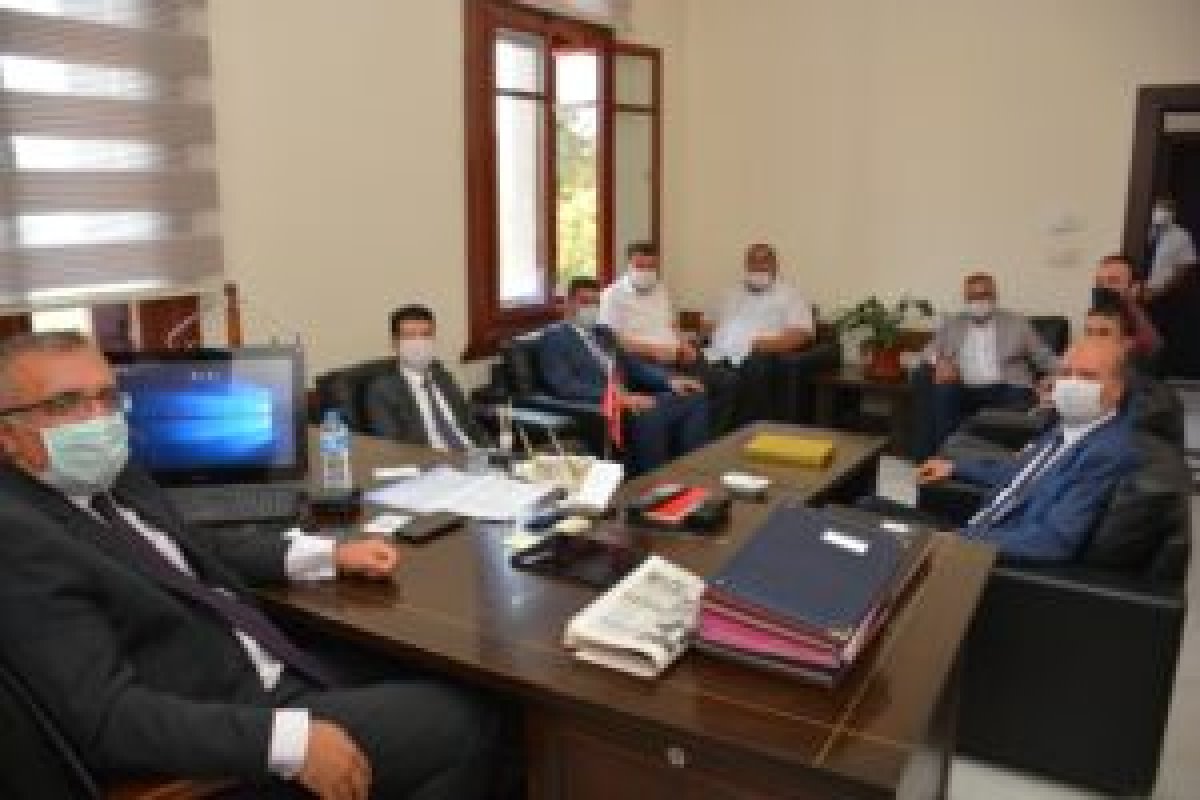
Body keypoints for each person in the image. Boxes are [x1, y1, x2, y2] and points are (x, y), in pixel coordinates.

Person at [0, 332, 501, 799]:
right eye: (65, 404)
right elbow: (109, 720)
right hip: (225, 722)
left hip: (262, 661)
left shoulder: (111, 475)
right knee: (469, 723)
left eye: (108, 397)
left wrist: (325, 554)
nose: (97, 418)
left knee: (471, 682)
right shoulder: (19, 539)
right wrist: (287, 743)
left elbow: (191, 550)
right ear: (7, 434)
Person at [915, 338, 1137, 561]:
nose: (1072, 383)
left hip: (990, 557)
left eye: (1088, 376)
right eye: (1066, 373)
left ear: (1117, 390)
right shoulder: (1072, 426)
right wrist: (955, 468)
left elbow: (1052, 541)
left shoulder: (1106, 453)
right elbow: (1019, 472)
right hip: (978, 530)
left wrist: (956, 541)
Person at [538, 277, 709, 475]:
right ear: (568, 304)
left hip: (630, 399)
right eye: (585, 302)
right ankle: (653, 481)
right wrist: (617, 397)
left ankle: (692, 472)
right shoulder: (554, 338)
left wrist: (669, 381)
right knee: (650, 413)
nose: (591, 308)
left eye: (595, 303)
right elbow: (564, 386)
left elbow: (633, 365)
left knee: (694, 397)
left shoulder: (603, 333)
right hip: (603, 407)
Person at [598, 241, 737, 433]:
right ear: (628, 265)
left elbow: (671, 326)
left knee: (727, 381)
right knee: (694, 390)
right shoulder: (612, 295)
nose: (646, 272)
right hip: (643, 361)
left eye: (651, 267)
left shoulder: (660, 290)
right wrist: (655, 350)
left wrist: (684, 344)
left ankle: (714, 439)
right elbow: (610, 339)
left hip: (676, 355)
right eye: (640, 266)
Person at [921, 272, 1058, 454]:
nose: (978, 301)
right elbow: (928, 351)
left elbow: (1043, 355)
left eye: (984, 295)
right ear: (965, 299)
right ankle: (945, 456)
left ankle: (1008, 460)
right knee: (943, 391)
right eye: (972, 297)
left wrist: (1061, 374)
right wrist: (939, 362)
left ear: (994, 296)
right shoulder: (953, 323)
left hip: (1007, 386)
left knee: (1019, 398)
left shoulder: (1016, 322)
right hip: (964, 387)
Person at [365, 305, 489, 450]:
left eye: (426, 335)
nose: (419, 343)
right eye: (409, 336)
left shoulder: (442, 376)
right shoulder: (382, 391)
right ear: (395, 342)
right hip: (431, 460)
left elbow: (470, 424)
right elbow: (392, 448)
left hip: (474, 455)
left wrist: (491, 452)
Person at [707, 243, 814, 365]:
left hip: (759, 358)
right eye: (753, 261)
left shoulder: (790, 295)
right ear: (746, 266)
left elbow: (800, 334)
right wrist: (722, 335)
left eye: (764, 261)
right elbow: (708, 324)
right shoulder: (730, 293)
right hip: (719, 354)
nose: (758, 266)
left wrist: (752, 344)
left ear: (775, 266)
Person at [1092, 253, 1160, 360]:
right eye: (1099, 283)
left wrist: (1131, 303)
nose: (1104, 287)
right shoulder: (1094, 322)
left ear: (1134, 288)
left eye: (1113, 281)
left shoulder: (1147, 322)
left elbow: (1153, 348)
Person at [1144, 196, 1197, 302]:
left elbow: (1185, 268)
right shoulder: (1142, 229)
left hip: (1165, 294)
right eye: (1159, 206)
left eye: (1168, 207)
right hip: (1136, 292)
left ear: (1173, 212)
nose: (1163, 211)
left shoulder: (1182, 235)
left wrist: (1163, 290)